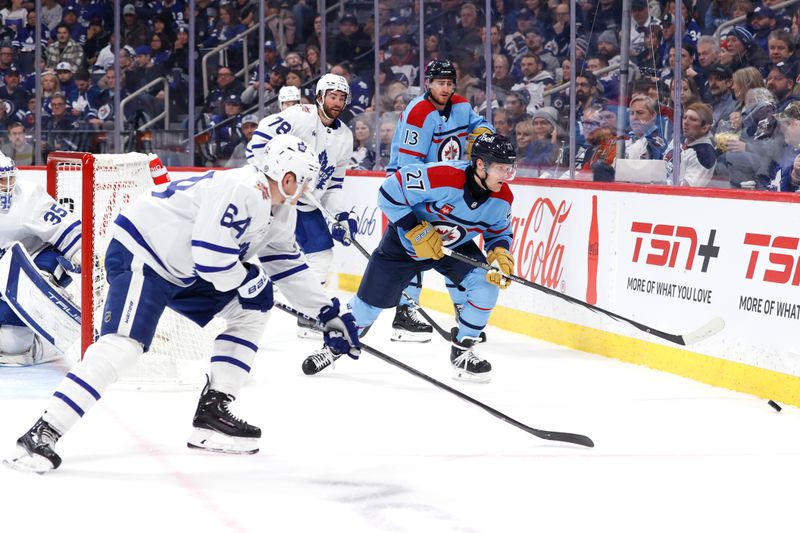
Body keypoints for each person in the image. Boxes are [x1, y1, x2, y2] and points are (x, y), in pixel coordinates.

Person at [5, 135, 360, 472]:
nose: (308, 190)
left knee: (252, 310)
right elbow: (211, 257)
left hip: (182, 266)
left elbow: (286, 263)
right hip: (141, 253)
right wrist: (248, 280)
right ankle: (43, 431)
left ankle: (213, 414)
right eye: (305, 180)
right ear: (287, 176)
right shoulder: (242, 189)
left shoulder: (279, 210)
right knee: (123, 348)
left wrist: (327, 315)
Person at [303, 133, 516, 383]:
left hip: (451, 247)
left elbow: (498, 233)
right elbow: (389, 192)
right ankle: (334, 347)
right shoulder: (443, 176)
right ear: (481, 164)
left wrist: (499, 254)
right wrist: (414, 228)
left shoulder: (502, 198)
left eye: (510, 168)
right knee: (368, 307)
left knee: (486, 285)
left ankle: (462, 352)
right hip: (403, 245)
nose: (507, 175)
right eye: (502, 168)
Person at [385, 59, 495, 342]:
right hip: (414, 189)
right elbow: (410, 169)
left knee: (454, 241)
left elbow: (480, 126)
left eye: (449, 83)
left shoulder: (460, 105)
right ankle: (404, 313)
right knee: (416, 247)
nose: (445, 88)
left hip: (447, 188)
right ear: (428, 83)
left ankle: (462, 309)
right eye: (439, 83)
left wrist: (484, 135)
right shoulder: (418, 114)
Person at [246, 74, 354, 338]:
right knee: (250, 247)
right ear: (319, 96)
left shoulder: (345, 136)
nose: (337, 102)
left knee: (321, 257)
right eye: (332, 96)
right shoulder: (300, 115)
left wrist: (340, 216)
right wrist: (267, 175)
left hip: (304, 203)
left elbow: (334, 185)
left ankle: (308, 316)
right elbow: (259, 139)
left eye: (341, 97)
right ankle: (239, 308)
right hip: (275, 195)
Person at [0, 154, 80, 366]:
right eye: (1, 180)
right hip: (2, 280)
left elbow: (70, 231)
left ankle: (47, 344)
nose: (7, 185)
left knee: (13, 346)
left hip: (33, 271)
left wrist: (87, 258)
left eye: (9, 178)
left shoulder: (26, 197)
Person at [665, 102, 717, 187]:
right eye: (684, 117)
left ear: (705, 127)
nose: (685, 122)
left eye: (693, 119)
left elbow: (688, 188)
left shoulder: (705, 154)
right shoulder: (678, 141)